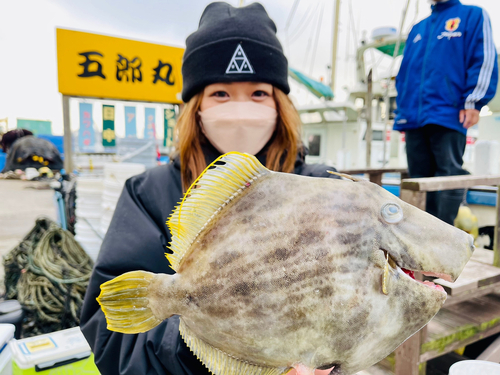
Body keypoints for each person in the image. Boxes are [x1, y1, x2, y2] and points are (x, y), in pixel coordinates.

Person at [80, 3, 338, 374]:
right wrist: (204, 341)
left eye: (258, 93)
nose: (239, 109)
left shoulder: (321, 186)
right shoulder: (148, 193)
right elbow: (110, 333)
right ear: (195, 107)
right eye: (220, 93)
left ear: (280, 104)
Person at [394, 0, 498, 225]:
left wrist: (473, 101)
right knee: (418, 179)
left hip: (449, 113)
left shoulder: (472, 15)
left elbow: (485, 58)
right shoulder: (418, 28)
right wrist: (403, 110)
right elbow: (404, 74)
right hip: (413, 118)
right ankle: (421, 238)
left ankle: (443, 238)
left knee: (449, 173)